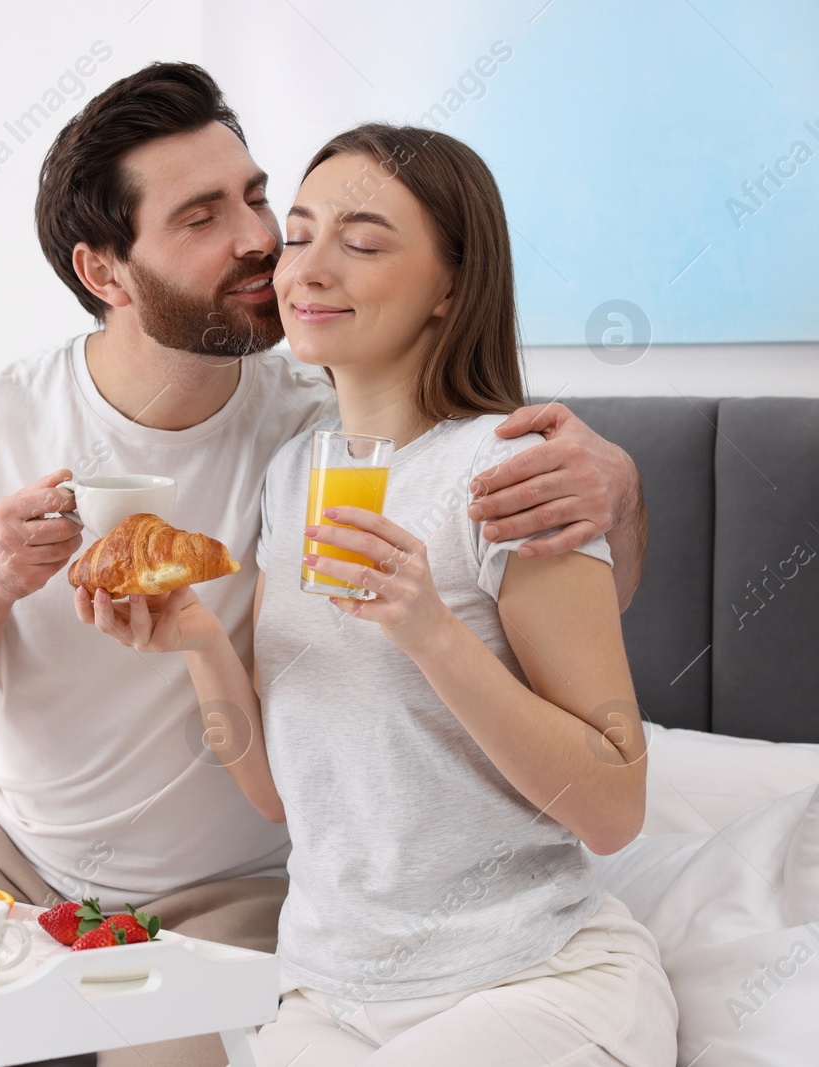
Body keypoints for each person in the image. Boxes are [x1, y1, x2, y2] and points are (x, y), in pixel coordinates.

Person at [0, 63, 650, 1067]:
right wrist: (4, 581)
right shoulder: (27, 434)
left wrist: (617, 489)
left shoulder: (367, 440)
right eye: (202, 216)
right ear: (104, 272)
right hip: (26, 854)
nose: (268, 245)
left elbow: (560, 625)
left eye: (258, 198)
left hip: (252, 899)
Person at [80, 122, 676, 1065]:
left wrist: (432, 631)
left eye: (361, 243)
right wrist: (197, 639)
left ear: (450, 286)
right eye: (302, 234)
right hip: (330, 995)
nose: (309, 269)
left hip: (528, 979)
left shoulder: (513, 471)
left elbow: (614, 806)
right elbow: (279, 794)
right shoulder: (293, 476)